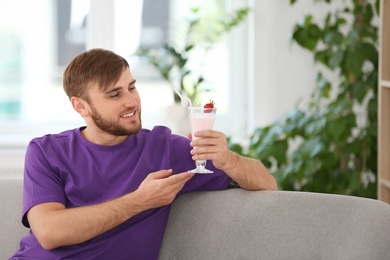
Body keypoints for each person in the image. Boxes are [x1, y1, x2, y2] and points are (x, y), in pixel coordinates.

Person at [10, 48, 277, 259]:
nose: (131, 101)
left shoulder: (164, 147)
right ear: (81, 106)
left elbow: (268, 184)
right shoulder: (46, 151)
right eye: (114, 94)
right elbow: (49, 232)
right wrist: (141, 200)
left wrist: (227, 158)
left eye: (132, 87)